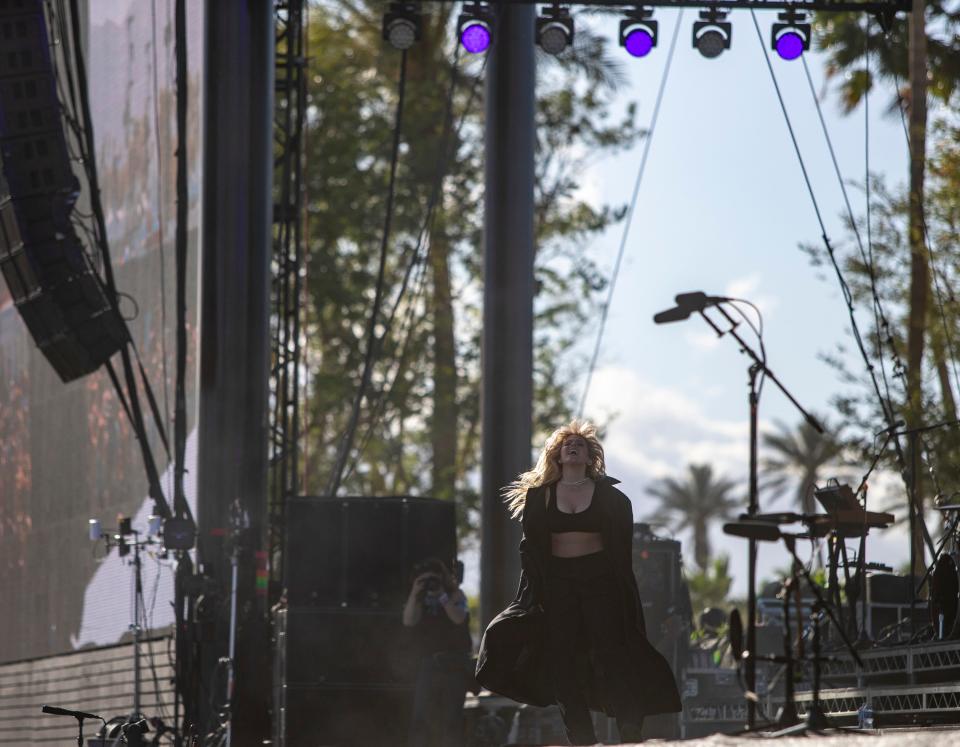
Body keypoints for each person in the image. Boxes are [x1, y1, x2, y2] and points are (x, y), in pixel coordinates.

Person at [475, 420, 682, 745]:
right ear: (556, 455)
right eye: (566, 443)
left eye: (580, 444)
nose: (573, 446)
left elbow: (621, 552)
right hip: (558, 586)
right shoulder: (540, 496)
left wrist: (623, 598)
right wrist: (532, 597)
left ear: (590, 456)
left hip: (600, 584)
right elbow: (531, 550)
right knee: (563, 666)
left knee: (614, 657)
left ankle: (630, 731)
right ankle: (581, 739)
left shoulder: (610, 498)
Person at [403, 557, 472, 747]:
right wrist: (416, 591)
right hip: (429, 665)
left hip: (453, 665)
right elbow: (408, 620)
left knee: (451, 719)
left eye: (433, 579)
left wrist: (442, 595)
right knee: (421, 718)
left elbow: (458, 618)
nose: (429, 584)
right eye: (424, 580)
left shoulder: (456, 595)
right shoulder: (420, 599)